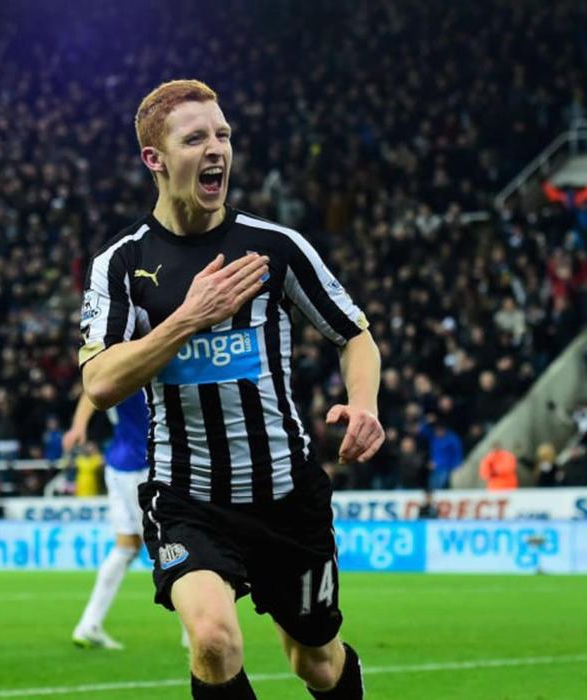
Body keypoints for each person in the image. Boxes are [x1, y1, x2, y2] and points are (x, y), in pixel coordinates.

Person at [79, 79, 385, 699]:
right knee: (214, 641)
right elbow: (100, 381)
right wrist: (188, 318)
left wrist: (364, 404)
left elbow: (354, 334)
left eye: (222, 135)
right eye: (195, 138)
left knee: (317, 664)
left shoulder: (275, 247)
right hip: (187, 499)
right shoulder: (121, 264)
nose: (216, 148)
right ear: (155, 158)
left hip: (286, 496)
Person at [64, 391, 149, 650]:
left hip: (118, 464)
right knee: (173, 545)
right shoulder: (143, 368)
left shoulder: (113, 368)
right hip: (144, 464)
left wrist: (78, 426)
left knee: (127, 547)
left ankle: (89, 625)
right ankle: (193, 631)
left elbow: (92, 388)